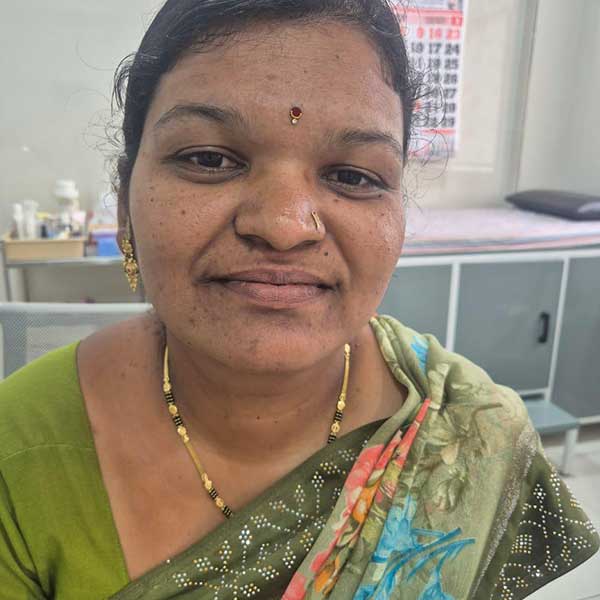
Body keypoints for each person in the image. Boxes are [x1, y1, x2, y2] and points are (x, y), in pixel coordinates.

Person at [0, 0, 598, 598]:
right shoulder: (17, 449)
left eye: (353, 176)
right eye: (209, 159)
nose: (285, 226)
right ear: (124, 202)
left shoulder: (475, 435)